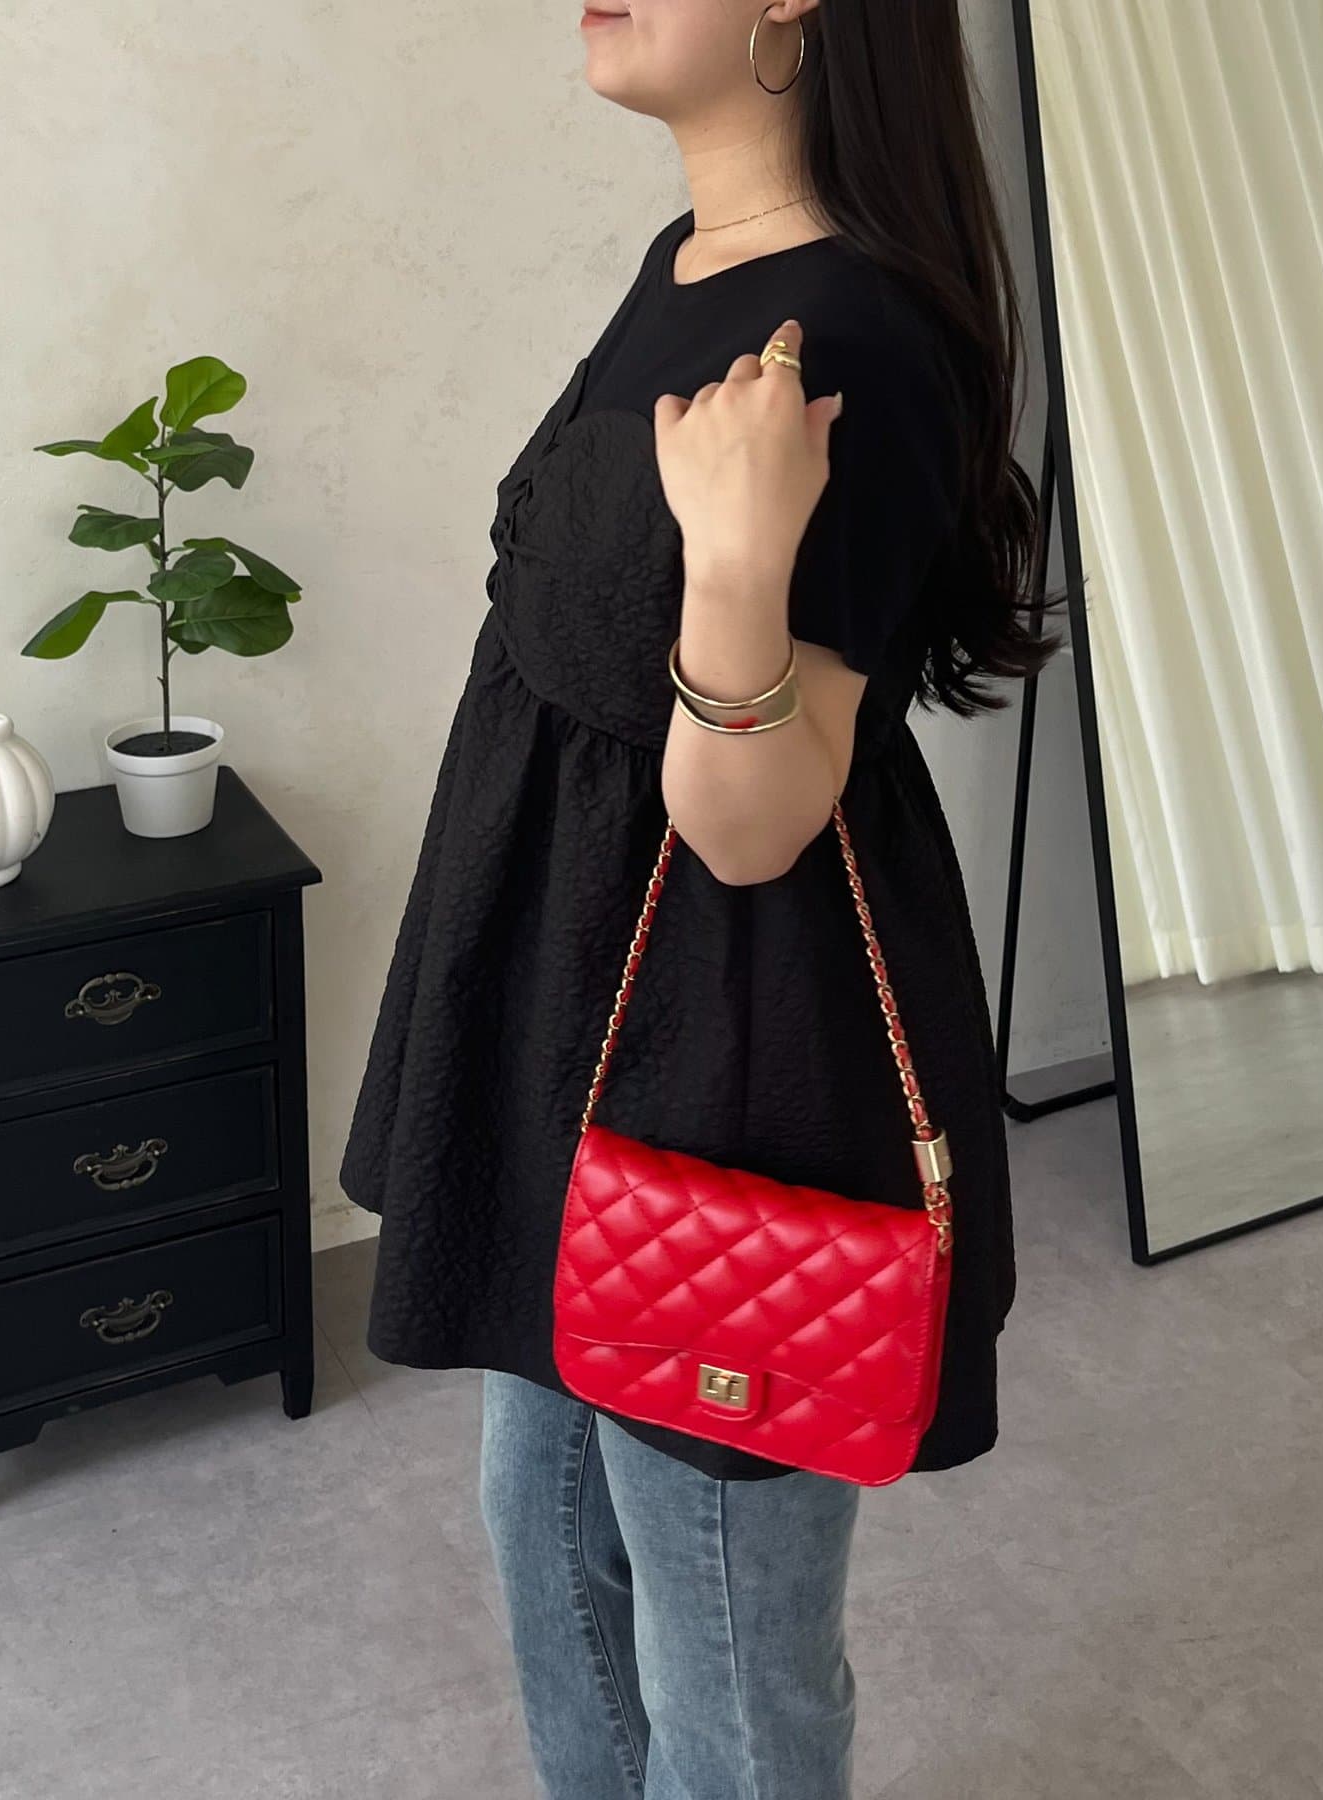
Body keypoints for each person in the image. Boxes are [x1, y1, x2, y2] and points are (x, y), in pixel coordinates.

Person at [338, 1, 1056, 1793]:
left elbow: (757, 824)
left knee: (725, 1640)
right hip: (557, 1016)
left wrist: (737, 563)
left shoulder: (860, 336)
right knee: (549, 1549)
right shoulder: (692, 257)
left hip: (722, 1049)